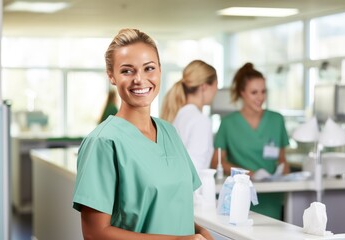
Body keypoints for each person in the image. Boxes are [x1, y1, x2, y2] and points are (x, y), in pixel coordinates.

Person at [72, 28, 213, 240]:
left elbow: (169, 208)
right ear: (111, 75)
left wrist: (201, 232)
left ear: (159, 71)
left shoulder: (169, 132)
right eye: (127, 71)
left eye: (149, 68)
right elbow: (95, 233)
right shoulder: (102, 142)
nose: (140, 79)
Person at [210, 62, 290, 220]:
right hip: (241, 196)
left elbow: (282, 159)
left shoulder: (276, 120)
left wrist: (284, 171)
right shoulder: (228, 123)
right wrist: (248, 174)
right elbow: (216, 162)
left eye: (263, 92)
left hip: (272, 196)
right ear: (242, 93)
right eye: (254, 92)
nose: (260, 97)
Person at [160, 60, 218, 172]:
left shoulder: (178, 115)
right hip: (191, 188)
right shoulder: (200, 121)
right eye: (216, 85)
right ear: (204, 87)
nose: (216, 91)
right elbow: (196, 168)